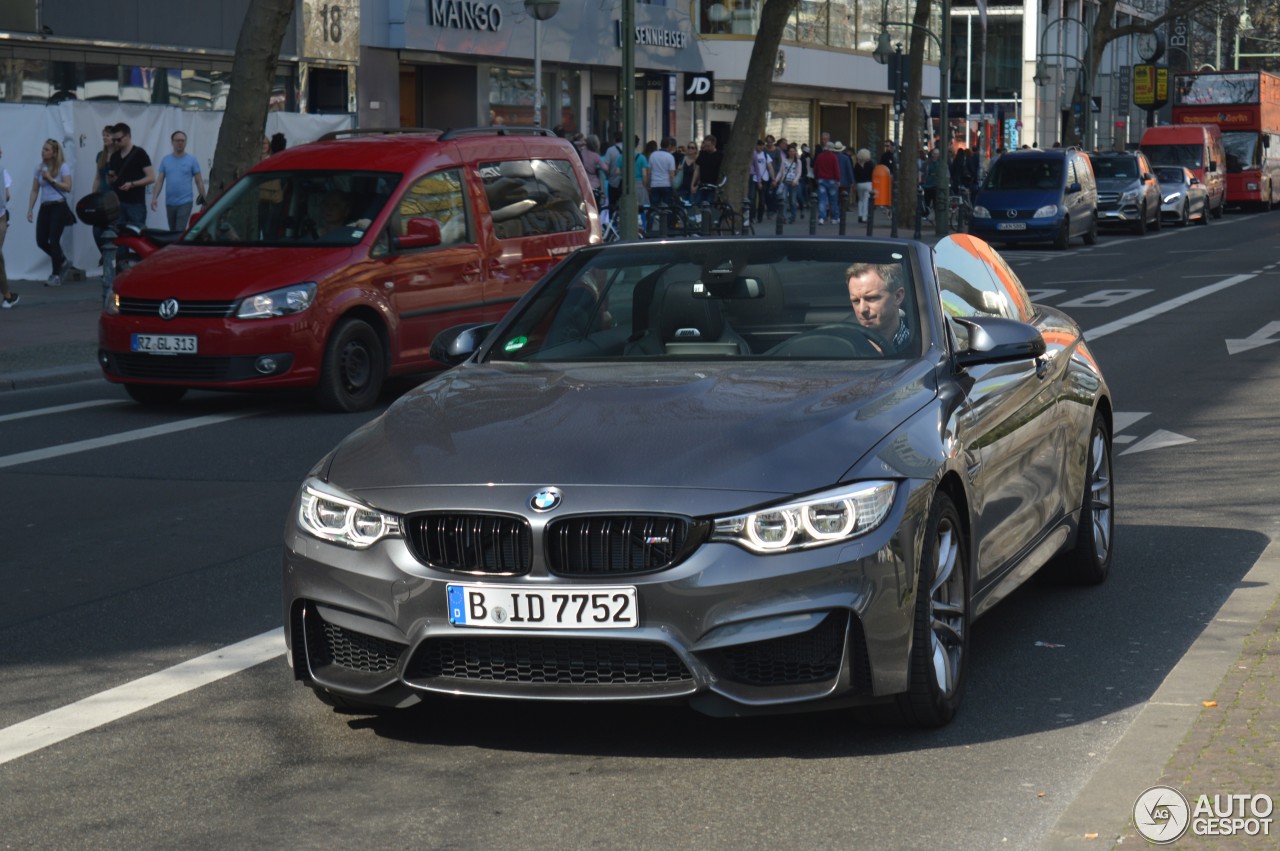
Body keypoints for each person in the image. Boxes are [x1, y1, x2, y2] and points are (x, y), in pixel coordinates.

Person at [27, 138, 75, 286]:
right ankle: (62, 260)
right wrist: (30, 209)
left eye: (47, 150)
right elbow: (35, 189)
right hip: (45, 206)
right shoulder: (39, 168)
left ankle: (55, 275)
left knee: (54, 239)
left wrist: (51, 179)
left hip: (58, 206)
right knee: (41, 240)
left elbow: (68, 187)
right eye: (43, 149)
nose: (43, 152)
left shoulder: (62, 167)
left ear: (54, 153)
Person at [846, 262, 913, 356]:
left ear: (898, 297)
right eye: (856, 301)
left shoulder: (919, 348)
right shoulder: (845, 349)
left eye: (871, 298)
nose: (862, 309)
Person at [151, 130, 207, 231]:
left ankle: (178, 246)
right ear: (172, 142)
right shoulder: (166, 160)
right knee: (173, 231)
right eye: (177, 140)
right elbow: (159, 181)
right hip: (170, 203)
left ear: (185, 142)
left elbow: (199, 181)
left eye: (182, 140)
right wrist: (154, 197)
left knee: (179, 230)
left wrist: (204, 199)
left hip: (185, 202)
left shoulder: (192, 160)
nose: (180, 143)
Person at [107, 122, 155, 234]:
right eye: (114, 140)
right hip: (118, 203)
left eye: (119, 139)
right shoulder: (114, 156)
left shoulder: (139, 153)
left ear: (128, 136)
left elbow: (151, 177)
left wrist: (132, 184)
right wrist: (111, 179)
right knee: (119, 238)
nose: (116, 143)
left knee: (138, 237)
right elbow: (111, 180)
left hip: (136, 204)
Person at [646, 136, 677, 231]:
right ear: (669, 146)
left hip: (655, 185)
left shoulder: (653, 155)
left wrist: (648, 185)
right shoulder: (670, 157)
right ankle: (668, 227)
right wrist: (674, 186)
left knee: (654, 208)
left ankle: (650, 227)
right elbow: (672, 174)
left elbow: (649, 172)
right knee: (668, 207)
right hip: (666, 185)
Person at [0, 143, 16, 308]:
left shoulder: (2, 170)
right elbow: (7, 195)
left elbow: (7, 195)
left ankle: (7, 294)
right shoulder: (2, 170)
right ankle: (7, 294)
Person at [690, 134, 723, 207]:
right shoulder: (702, 154)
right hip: (702, 185)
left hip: (713, 186)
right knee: (697, 204)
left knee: (708, 205)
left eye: (708, 146)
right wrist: (693, 184)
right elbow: (697, 169)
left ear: (714, 145)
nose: (706, 148)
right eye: (705, 146)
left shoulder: (720, 155)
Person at [812, 142, 840, 225]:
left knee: (822, 200)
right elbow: (836, 169)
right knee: (833, 200)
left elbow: (815, 168)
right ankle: (834, 218)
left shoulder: (819, 157)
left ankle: (821, 218)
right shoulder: (833, 157)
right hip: (832, 180)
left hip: (821, 180)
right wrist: (838, 180)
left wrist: (817, 177)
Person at [779, 143, 802, 224]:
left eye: (793, 151)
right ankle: (784, 217)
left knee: (792, 201)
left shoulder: (798, 161)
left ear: (795, 152)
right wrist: (776, 180)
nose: (792, 152)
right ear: (788, 152)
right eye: (790, 151)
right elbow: (781, 172)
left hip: (793, 183)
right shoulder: (784, 161)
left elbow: (799, 173)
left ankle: (793, 216)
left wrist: (795, 181)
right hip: (785, 182)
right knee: (784, 200)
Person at [853, 148, 874, 223]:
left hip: (859, 184)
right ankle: (864, 217)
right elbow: (873, 174)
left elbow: (855, 175)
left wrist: (854, 183)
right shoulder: (870, 164)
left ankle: (860, 215)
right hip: (868, 183)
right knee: (866, 200)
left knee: (860, 200)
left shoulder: (857, 165)